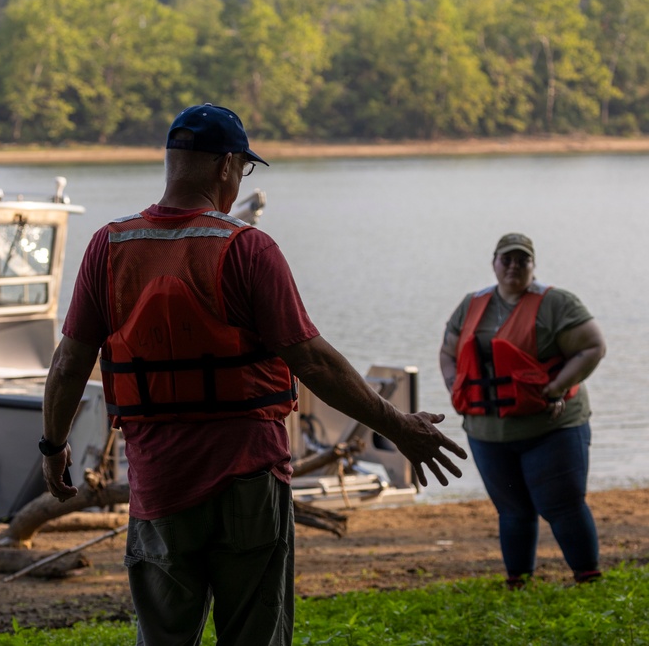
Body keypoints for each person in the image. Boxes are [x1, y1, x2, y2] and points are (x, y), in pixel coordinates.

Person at [41, 103, 467, 646]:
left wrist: (53, 446)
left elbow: (70, 362)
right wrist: (399, 426)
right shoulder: (247, 247)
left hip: (160, 483)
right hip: (249, 481)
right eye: (243, 169)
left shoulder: (109, 246)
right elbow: (312, 361)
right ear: (226, 167)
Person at [439, 233, 607, 588]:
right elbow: (449, 351)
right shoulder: (472, 303)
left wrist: (558, 386)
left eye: (522, 260)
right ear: (494, 262)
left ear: (533, 264)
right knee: (512, 512)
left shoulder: (557, 303)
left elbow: (593, 346)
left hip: (552, 427)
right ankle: (518, 582)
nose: (514, 266)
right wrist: (455, 383)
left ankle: (588, 578)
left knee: (562, 505)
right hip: (488, 432)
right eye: (507, 259)